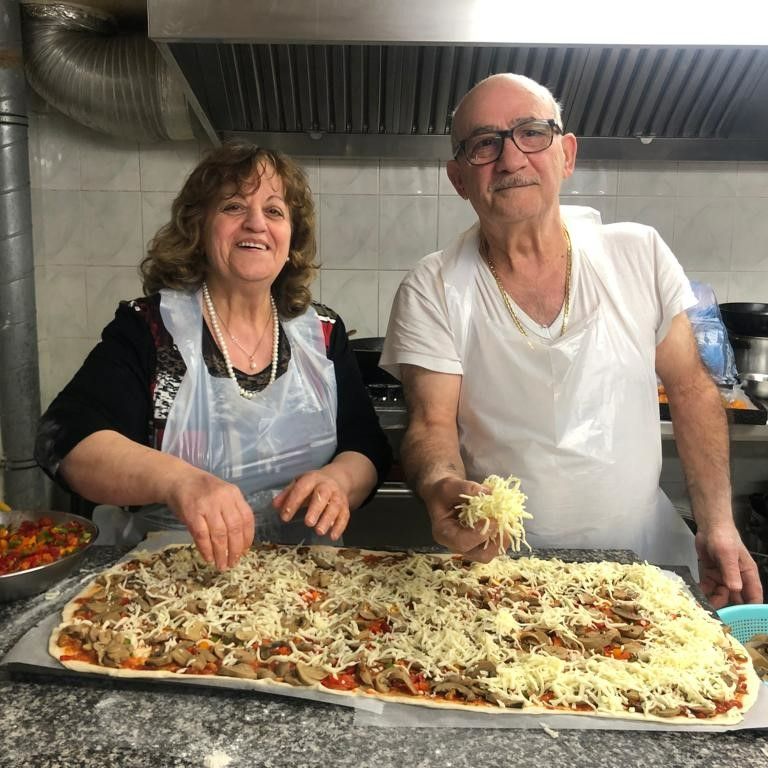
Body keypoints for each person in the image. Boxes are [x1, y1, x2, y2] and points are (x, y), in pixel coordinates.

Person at [380, 73, 762, 609]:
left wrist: (719, 524)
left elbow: (691, 388)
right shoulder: (435, 284)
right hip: (499, 580)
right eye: (484, 144)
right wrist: (441, 483)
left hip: (643, 566)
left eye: (531, 133)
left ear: (567, 154)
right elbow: (431, 423)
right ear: (458, 178)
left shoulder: (638, 255)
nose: (511, 160)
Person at [35, 142, 391, 570]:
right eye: (234, 206)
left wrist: (340, 479)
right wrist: (180, 481)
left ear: (291, 237)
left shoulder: (322, 333)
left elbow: (366, 444)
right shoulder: (153, 329)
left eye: (275, 211)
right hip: (165, 586)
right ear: (199, 226)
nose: (256, 223)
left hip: (305, 591)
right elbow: (65, 438)